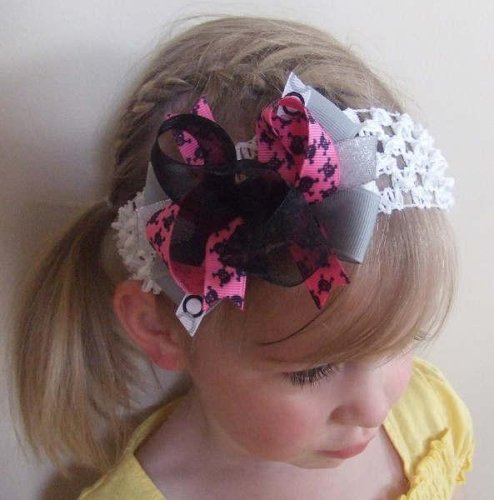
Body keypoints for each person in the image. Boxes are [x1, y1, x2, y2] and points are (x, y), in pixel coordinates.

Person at [9, 16, 474, 499]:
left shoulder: (427, 415)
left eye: (402, 339)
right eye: (311, 371)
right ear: (159, 329)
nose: (375, 409)